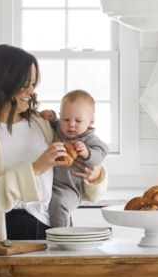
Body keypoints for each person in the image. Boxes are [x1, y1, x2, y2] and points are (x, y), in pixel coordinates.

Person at [0, 44, 107, 241]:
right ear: (3, 82)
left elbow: (69, 176)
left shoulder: (41, 123)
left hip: (52, 227)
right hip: (0, 232)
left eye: (34, 84)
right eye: (27, 84)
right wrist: (35, 168)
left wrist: (95, 176)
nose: (32, 92)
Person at [43, 89, 110, 228]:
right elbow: (52, 122)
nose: (71, 124)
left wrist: (87, 153)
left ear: (91, 121)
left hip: (71, 188)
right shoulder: (60, 128)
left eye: (78, 121)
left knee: (59, 204)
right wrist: (50, 117)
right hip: (50, 183)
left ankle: (62, 235)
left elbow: (102, 153)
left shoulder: (89, 138)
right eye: (66, 119)